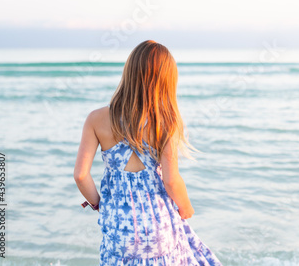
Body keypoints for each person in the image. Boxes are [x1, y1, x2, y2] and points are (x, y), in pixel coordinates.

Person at [73, 40, 222, 265]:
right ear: (165, 82)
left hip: (118, 228)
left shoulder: (96, 119)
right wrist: (186, 206)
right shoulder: (165, 124)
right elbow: (171, 180)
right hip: (159, 226)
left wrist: (98, 204)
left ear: (129, 73)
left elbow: (81, 175)